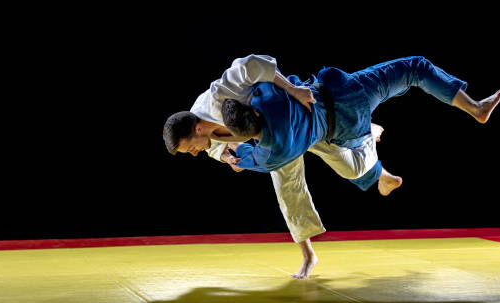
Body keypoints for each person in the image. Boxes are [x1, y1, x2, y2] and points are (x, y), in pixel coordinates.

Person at [163, 55, 387, 279]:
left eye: (190, 148)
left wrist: (293, 90)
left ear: (198, 129)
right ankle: (309, 256)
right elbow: (213, 147)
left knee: (345, 162)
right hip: (271, 140)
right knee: (288, 189)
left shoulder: (218, 95)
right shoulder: (197, 122)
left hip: (288, 114)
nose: (194, 153)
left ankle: (368, 133)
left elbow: (253, 63)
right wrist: (226, 157)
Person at [222, 56, 500, 191]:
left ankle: (374, 144)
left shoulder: (268, 155)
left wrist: (231, 156)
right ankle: (475, 108)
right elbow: (261, 67)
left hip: (345, 131)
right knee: (415, 68)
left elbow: (241, 159)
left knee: (349, 161)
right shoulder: (266, 99)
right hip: (348, 93)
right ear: (254, 113)